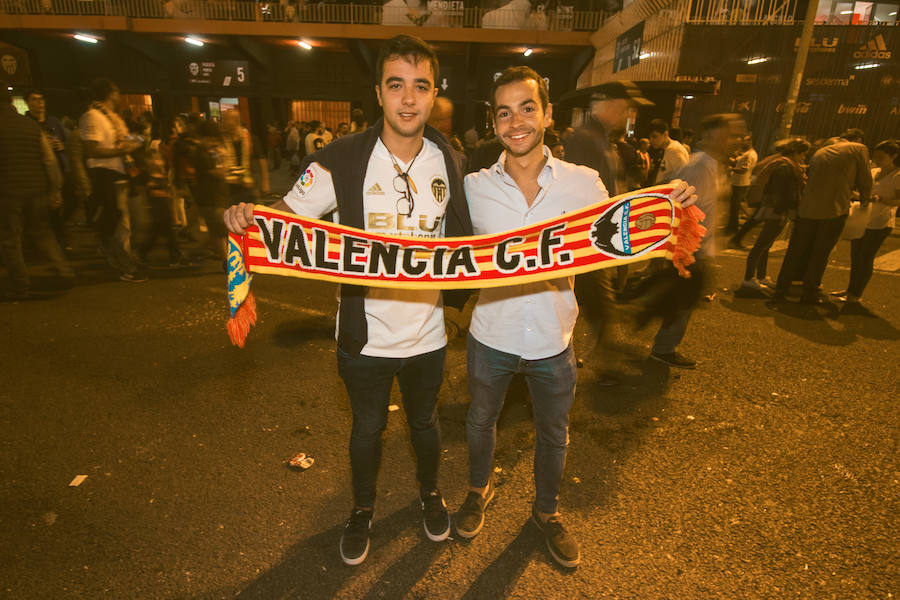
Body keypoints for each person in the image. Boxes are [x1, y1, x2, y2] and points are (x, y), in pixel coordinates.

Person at [223, 34, 473, 566]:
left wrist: (456, 303)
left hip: (428, 334)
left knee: (425, 426)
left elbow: (469, 240)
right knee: (367, 430)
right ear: (378, 93)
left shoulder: (449, 160)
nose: (409, 99)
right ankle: (361, 510)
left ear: (433, 95)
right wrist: (252, 218)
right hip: (364, 336)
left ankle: (430, 496)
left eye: (420, 86)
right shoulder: (340, 158)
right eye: (396, 85)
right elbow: (289, 213)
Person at [454, 66, 695, 568]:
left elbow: (618, 237)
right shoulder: (473, 188)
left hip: (552, 338)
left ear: (546, 114)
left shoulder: (584, 184)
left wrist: (673, 207)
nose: (515, 121)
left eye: (526, 107)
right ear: (494, 122)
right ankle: (479, 489)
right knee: (480, 420)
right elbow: (429, 247)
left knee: (554, 433)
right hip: (490, 335)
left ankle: (545, 513)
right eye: (503, 112)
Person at [650, 114, 744, 368]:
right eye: (731, 135)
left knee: (682, 299)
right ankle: (664, 347)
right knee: (682, 299)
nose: (735, 141)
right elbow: (679, 203)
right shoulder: (700, 165)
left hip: (698, 247)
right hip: (690, 248)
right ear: (714, 136)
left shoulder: (713, 164)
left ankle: (663, 344)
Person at [774, 132, 872, 304]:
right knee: (820, 254)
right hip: (832, 212)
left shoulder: (820, 152)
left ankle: (782, 288)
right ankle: (810, 292)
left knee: (796, 251)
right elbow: (865, 178)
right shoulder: (859, 148)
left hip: (807, 211)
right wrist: (865, 198)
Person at [0, 89, 74, 299]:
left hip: (8, 192)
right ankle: (64, 271)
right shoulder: (31, 126)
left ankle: (20, 284)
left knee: (10, 239)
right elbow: (49, 160)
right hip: (37, 190)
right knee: (43, 233)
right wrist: (55, 188)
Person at [80, 77, 146, 282]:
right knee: (122, 225)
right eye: (116, 92)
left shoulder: (112, 118)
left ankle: (118, 256)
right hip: (106, 176)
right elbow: (92, 150)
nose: (118, 96)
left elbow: (121, 142)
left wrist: (134, 143)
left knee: (132, 221)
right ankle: (126, 266)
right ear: (110, 94)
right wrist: (120, 150)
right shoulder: (91, 117)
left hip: (123, 175)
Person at [831, 140, 899, 309]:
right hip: (863, 219)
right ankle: (849, 290)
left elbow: (897, 200)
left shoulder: (897, 176)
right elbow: (863, 191)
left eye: (881, 157)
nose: (877, 159)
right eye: (875, 156)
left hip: (880, 223)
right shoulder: (874, 171)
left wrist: (880, 199)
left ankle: (856, 295)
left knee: (865, 258)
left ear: (894, 156)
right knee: (855, 257)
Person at [738, 138, 808, 295]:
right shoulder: (785, 166)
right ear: (796, 152)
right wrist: (782, 210)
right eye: (802, 154)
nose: (803, 158)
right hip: (776, 210)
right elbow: (780, 192)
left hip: (775, 209)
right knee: (761, 245)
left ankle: (760, 277)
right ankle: (749, 278)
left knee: (766, 245)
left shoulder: (785, 164)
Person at [728, 135, 757, 234]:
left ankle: (732, 228)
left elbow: (743, 169)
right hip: (740, 182)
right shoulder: (747, 153)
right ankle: (732, 227)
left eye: (745, 141)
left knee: (735, 207)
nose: (742, 143)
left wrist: (731, 169)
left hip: (741, 183)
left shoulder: (749, 155)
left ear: (750, 142)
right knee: (735, 206)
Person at [648, 118, 690, 184]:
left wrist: (664, 183)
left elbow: (684, 175)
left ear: (665, 134)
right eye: (650, 137)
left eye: (654, 137)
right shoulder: (667, 149)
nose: (651, 140)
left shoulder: (674, 150)